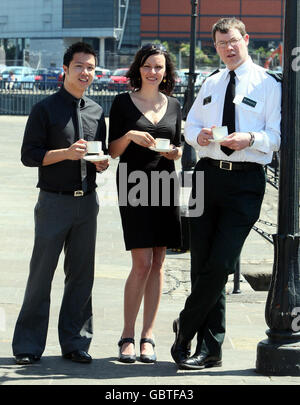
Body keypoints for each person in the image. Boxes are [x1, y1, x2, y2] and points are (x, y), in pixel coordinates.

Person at [171, 17, 281, 369]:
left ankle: (185, 326)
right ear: (215, 46)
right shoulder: (212, 82)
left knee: (220, 264)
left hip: (245, 181)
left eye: (233, 41)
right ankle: (211, 348)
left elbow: (277, 137)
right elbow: (189, 127)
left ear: (246, 39)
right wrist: (198, 137)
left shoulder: (268, 84)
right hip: (206, 176)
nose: (228, 49)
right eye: (221, 44)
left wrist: (249, 139)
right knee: (201, 262)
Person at [12, 42, 109, 365]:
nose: (86, 72)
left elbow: (100, 151)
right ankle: (28, 345)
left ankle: (76, 342)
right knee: (41, 275)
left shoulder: (96, 111)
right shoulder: (44, 109)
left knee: (82, 276)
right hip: (53, 203)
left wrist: (101, 162)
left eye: (91, 67)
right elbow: (29, 156)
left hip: (87, 204)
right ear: (65, 70)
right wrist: (66, 154)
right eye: (80, 66)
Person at [108, 43, 182, 363]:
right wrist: (130, 137)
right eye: (148, 66)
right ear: (139, 67)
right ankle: (127, 334)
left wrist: (175, 153)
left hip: (166, 184)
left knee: (159, 262)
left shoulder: (176, 104)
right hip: (134, 185)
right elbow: (112, 151)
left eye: (159, 67)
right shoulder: (122, 103)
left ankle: (148, 337)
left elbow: (179, 148)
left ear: (166, 72)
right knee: (141, 263)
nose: (154, 72)